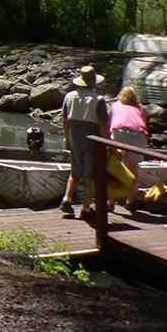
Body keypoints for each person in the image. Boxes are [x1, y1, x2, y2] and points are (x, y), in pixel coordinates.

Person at [59, 65, 109, 219]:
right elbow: (103, 124)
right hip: (91, 139)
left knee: (75, 170)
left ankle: (66, 199)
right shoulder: (98, 100)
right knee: (89, 175)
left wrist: (67, 139)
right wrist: (107, 144)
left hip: (74, 136)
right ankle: (86, 208)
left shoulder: (69, 96)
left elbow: (65, 120)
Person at [109, 86, 150, 213]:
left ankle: (111, 201)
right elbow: (144, 125)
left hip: (120, 133)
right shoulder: (140, 108)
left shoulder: (115, 106)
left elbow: (109, 122)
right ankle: (131, 201)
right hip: (138, 136)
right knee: (134, 171)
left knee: (116, 167)